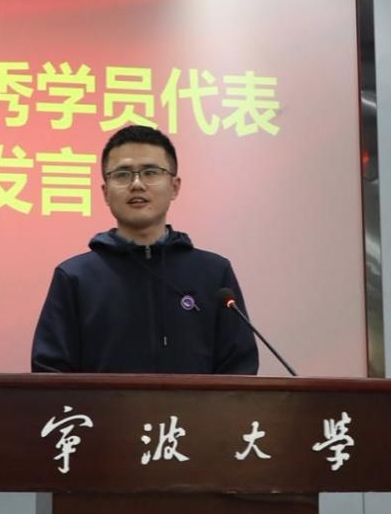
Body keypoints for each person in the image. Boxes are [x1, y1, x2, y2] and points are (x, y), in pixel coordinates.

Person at [31, 125, 259, 374]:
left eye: (151, 172)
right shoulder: (75, 277)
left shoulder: (214, 274)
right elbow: (50, 373)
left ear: (174, 186)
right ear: (105, 192)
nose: (137, 184)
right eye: (122, 174)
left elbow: (239, 370)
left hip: (196, 404)